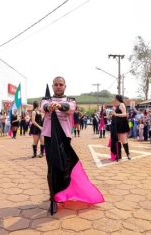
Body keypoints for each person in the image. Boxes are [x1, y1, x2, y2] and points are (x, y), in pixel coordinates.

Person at [41, 77, 104, 215]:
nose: (58, 87)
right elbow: (43, 107)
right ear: (52, 86)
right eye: (56, 85)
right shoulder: (46, 100)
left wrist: (58, 106)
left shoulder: (71, 100)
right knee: (52, 167)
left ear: (65, 86)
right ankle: (53, 199)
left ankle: (62, 192)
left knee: (64, 167)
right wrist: (49, 106)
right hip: (49, 137)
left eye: (61, 84)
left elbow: (70, 108)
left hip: (64, 138)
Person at [111, 95, 130, 161]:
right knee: (118, 140)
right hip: (117, 125)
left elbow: (125, 114)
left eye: (115, 98)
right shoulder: (116, 106)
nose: (114, 99)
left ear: (117, 98)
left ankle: (128, 155)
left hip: (122, 124)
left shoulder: (122, 104)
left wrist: (116, 114)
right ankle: (119, 155)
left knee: (124, 140)